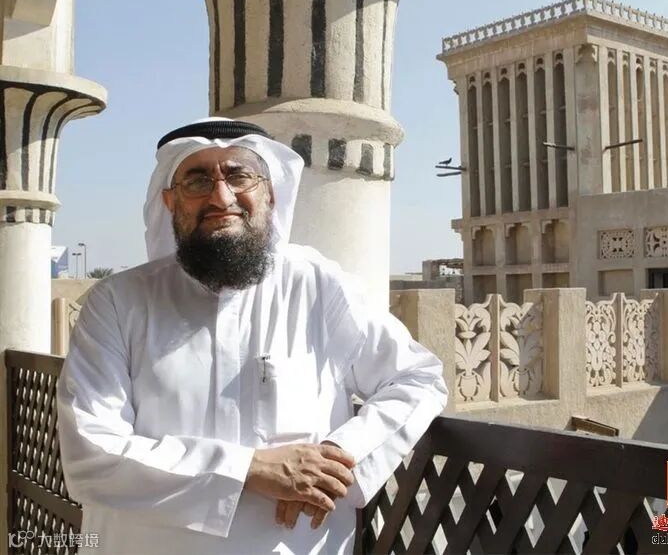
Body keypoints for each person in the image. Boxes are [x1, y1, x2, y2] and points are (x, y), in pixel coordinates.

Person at [56, 118, 448, 555]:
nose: (221, 197)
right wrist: (248, 469)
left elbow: (418, 379)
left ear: (270, 193)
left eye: (239, 176)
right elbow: (90, 453)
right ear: (169, 201)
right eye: (197, 181)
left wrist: (339, 455)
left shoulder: (316, 284)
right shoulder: (117, 301)